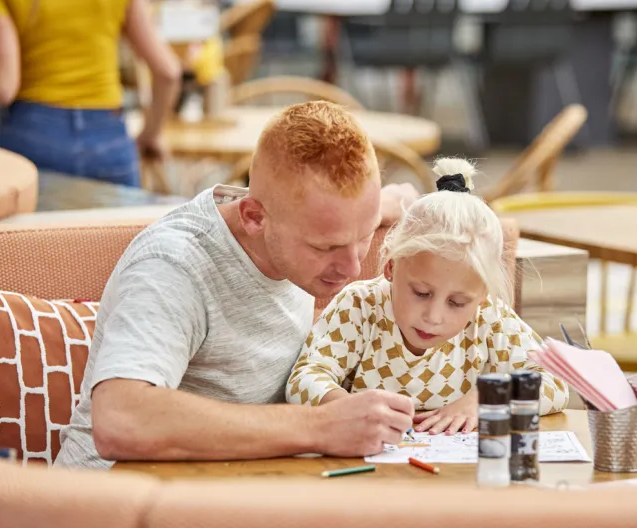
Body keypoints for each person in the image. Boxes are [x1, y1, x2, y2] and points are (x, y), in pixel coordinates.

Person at [55, 101, 420, 469]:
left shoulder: (318, 217)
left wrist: (403, 205)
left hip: (224, 488)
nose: (353, 266)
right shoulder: (174, 265)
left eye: (365, 234)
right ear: (254, 217)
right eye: (325, 247)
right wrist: (321, 426)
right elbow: (120, 419)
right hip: (106, 502)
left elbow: (389, 202)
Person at [286, 158, 569, 435]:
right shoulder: (360, 306)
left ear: (482, 295)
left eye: (457, 303)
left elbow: (556, 383)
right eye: (421, 293)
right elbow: (304, 380)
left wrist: (486, 398)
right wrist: (348, 409)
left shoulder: (490, 318)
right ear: (391, 268)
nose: (433, 317)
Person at [0, 0, 181, 186]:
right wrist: (150, 135)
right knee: (120, 235)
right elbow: (168, 73)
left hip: (32, 137)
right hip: (109, 138)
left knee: (24, 235)